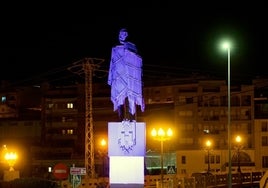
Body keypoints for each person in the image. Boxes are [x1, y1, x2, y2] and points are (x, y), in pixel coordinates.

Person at [108, 28, 145, 121]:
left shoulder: (132, 46)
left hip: (130, 75)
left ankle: (132, 117)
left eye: (125, 34)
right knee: (119, 97)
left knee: (130, 96)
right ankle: (120, 118)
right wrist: (111, 76)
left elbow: (138, 60)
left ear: (127, 35)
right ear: (118, 35)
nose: (123, 35)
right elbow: (112, 63)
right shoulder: (115, 48)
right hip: (119, 75)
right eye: (121, 33)